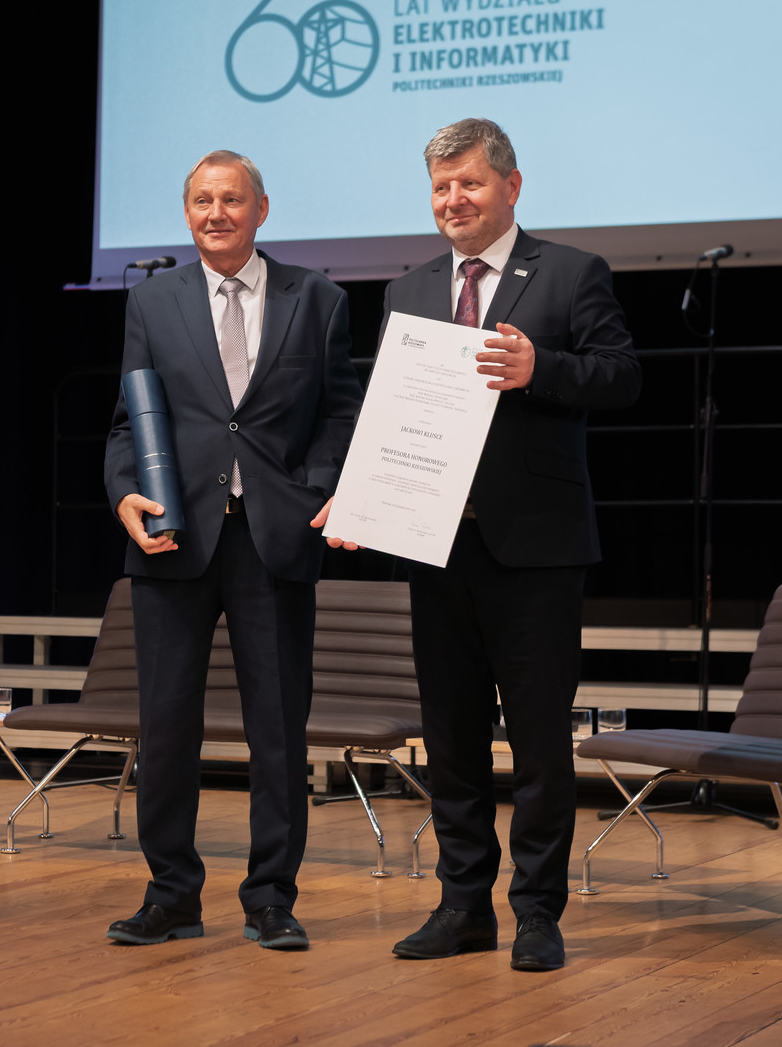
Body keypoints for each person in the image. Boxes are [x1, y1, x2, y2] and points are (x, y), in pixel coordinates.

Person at [328, 118, 640, 970]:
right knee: (452, 741)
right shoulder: (409, 289)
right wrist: (359, 495)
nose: (453, 200)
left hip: (534, 549)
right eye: (440, 187)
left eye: (468, 182)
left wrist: (544, 370)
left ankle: (537, 913)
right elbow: (388, 413)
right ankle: (463, 907)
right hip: (433, 547)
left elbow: (623, 376)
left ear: (510, 185)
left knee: (538, 744)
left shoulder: (570, 272)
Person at [103, 150, 363, 949]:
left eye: (231, 199)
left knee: (277, 731)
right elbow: (129, 420)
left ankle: (272, 898)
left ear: (261, 209)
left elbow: (339, 411)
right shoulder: (151, 301)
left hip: (274, 539)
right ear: (187, 212)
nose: (215, 213)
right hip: (174, 537)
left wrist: (321, 486)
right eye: (201, 201)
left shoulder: (316, 298)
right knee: (166, 726)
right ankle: (171, 895)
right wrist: (124, 492)